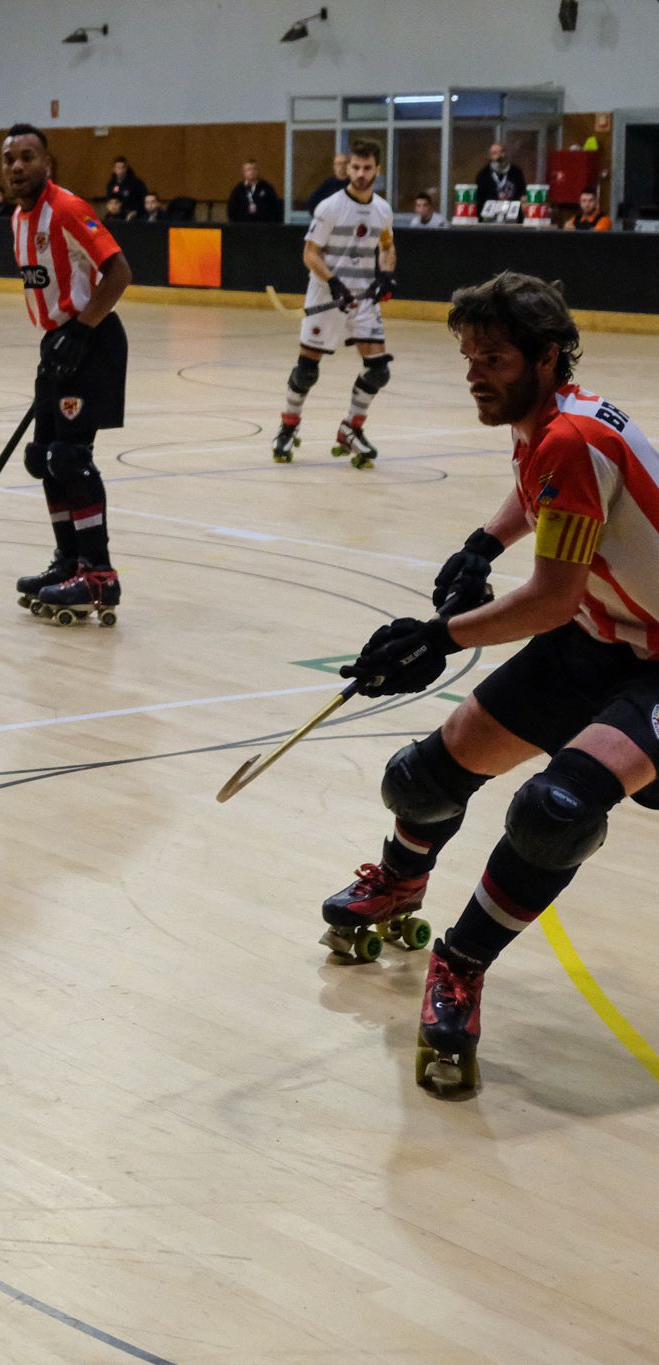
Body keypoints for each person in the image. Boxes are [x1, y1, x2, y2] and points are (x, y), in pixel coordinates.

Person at [322, 272, 659, 1097]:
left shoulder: (569, 437)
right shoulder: (551, 417)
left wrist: (436, 638)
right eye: (469, 357)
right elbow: (539, 491)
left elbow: (550, 600)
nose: (476, 374)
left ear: (546, 358)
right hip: (607, 634)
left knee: (556, 812)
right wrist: (483, 543)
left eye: (494, 359)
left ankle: (461, 962)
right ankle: (401, 881)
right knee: (424, 778)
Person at [3, 123, 134, 623]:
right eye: (10, 159)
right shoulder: (18, 218)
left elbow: (119, 271)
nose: (18, 166)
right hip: (57, 343)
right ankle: (69, 561)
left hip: (92, 340)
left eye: (28, 156)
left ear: (47, 164)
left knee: (70, 456)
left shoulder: (67, 208)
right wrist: (58, 342)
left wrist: (79, 332)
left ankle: (98, 573)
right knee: (43, 458)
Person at [272, 138, 396, 467]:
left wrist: (386, 275)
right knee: (306, 371)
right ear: (348, 169)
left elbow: (386, 246)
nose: (360, 174)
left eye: (367, 168)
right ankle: (288, 427)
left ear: (377, 170)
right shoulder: (329, 207)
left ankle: (350, 429)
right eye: (355, 167)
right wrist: (333, 282)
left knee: (379, 370)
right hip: (327, 296)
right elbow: (310, 253)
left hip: (363, 299)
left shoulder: (383, 210)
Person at [475, 142, 527, 210]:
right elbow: (479, 197)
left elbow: (522, 191)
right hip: (490, 211)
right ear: (490, 156)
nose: (499, 155)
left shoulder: (516, 171)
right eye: (494, 153)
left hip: (512, 209)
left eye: (501, 152)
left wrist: (523, 200)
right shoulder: (483, 174)